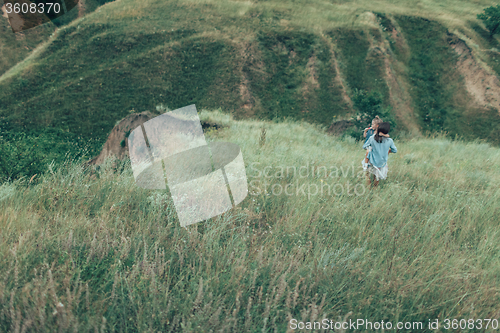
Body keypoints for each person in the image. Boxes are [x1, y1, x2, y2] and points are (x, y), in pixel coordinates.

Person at [362, 122, 397, 187]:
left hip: (372, 161)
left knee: (368, 175)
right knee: (376, 177)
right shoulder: (389, 141)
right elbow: (395, 150)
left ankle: (368, 189)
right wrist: (388, 151)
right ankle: (375, 190)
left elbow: (364, 146)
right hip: (381, 163)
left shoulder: (372, 138)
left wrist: (370, 148)